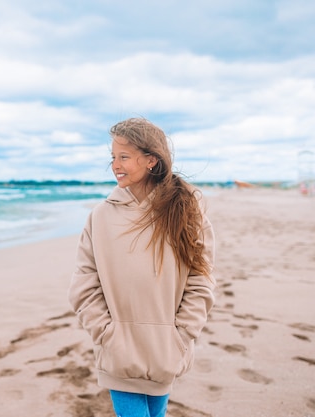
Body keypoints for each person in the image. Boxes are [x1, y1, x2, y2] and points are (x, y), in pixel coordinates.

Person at [68, 118, 216, 417]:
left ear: (151, 160)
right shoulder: (100, 216)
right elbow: (85, 282)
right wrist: (106, 333)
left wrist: (181, 334)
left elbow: (201, 280)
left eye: (123, 156)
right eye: (113, 157)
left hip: (167, 350)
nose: (115, 165)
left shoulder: (185, 209)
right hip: (118, 352)